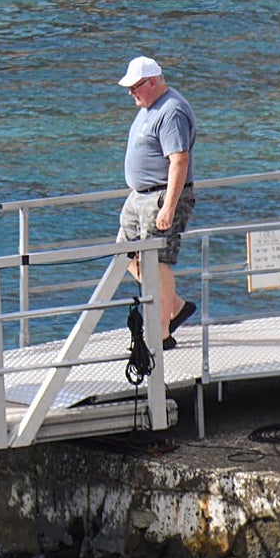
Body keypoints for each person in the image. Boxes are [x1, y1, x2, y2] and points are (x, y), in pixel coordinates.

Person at [116, 56, 197, 351]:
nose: (130, 93)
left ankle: (161, 332)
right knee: (123, 257)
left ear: (152, 82)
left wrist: (169, 207)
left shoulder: (171, 110)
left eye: (135, 86)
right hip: (140, 195)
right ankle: (176, 306)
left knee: (157, 261)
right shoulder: (150, 106)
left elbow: (179, 160)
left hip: (161, 195)